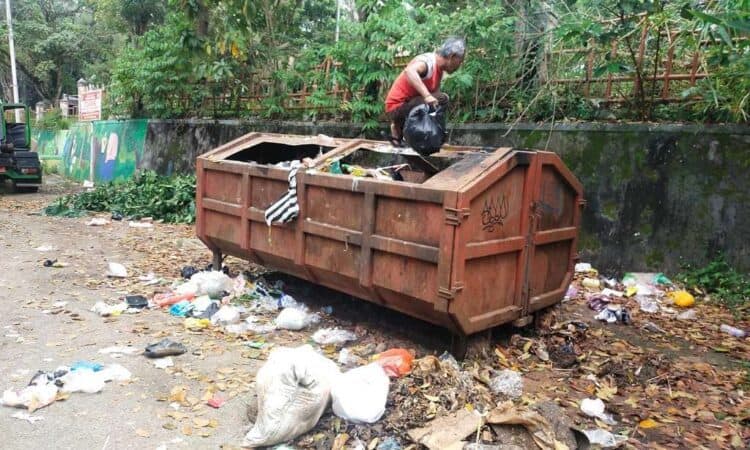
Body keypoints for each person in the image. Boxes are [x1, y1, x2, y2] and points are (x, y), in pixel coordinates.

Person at [384, 37, 466, 147]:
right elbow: (410, 71)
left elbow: (436, 103)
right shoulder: (428, 62)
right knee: (438, 99)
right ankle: (398, 128)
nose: (459, 66)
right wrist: (427, 96)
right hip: (397, 107)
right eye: (459, 62)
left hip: (411, 104)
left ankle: (433, 138)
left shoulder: (439, 71)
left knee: (441, 99)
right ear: (452, 56)